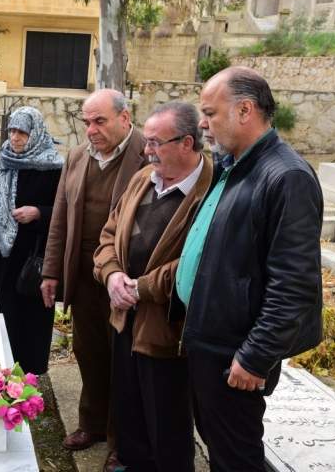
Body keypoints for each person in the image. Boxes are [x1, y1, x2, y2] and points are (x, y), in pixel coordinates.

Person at [176, 67, 323, 471]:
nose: (202, 123)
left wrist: (256, 357)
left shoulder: (286, 176)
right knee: (221, 448)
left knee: (236, 458)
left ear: (245, 110)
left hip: (235, 353)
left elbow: (294, 285)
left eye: (210, 112)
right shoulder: (235, 165)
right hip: (210, 339)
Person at [94, 102, 213, 471]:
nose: (147, 151)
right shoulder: (143, 178)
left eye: (156, 143)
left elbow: (199, 260)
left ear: (187, 143)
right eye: (147, 142)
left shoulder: (210, 193)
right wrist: (112, 274)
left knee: (167, 423)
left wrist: (141, 289)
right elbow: (109, 235)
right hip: (124, 318)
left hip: (168, 330)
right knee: (128, 410)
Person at [40, 89, 146, 464]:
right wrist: (52, 270)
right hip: (84, 276)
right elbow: (60, 218)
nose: (91, 130)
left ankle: (121, 441)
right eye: (86, 122)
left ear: (125, 118)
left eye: (99, 121)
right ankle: (92, 423)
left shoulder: (148, 154)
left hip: (127, 278)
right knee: (88, 352)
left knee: (124, 361)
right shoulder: (77, 156)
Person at [0, 107, 63, 375]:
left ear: (35, 134)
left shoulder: (53, 166)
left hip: (34, 255)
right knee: (3, 317)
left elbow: (64, 211)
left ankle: (29, 379)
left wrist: (38, 213)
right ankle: (0, 374)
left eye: (22, 132)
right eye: (12, 131)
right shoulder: (3, 160)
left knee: (29, 322)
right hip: (3, 255)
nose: (16, 138)